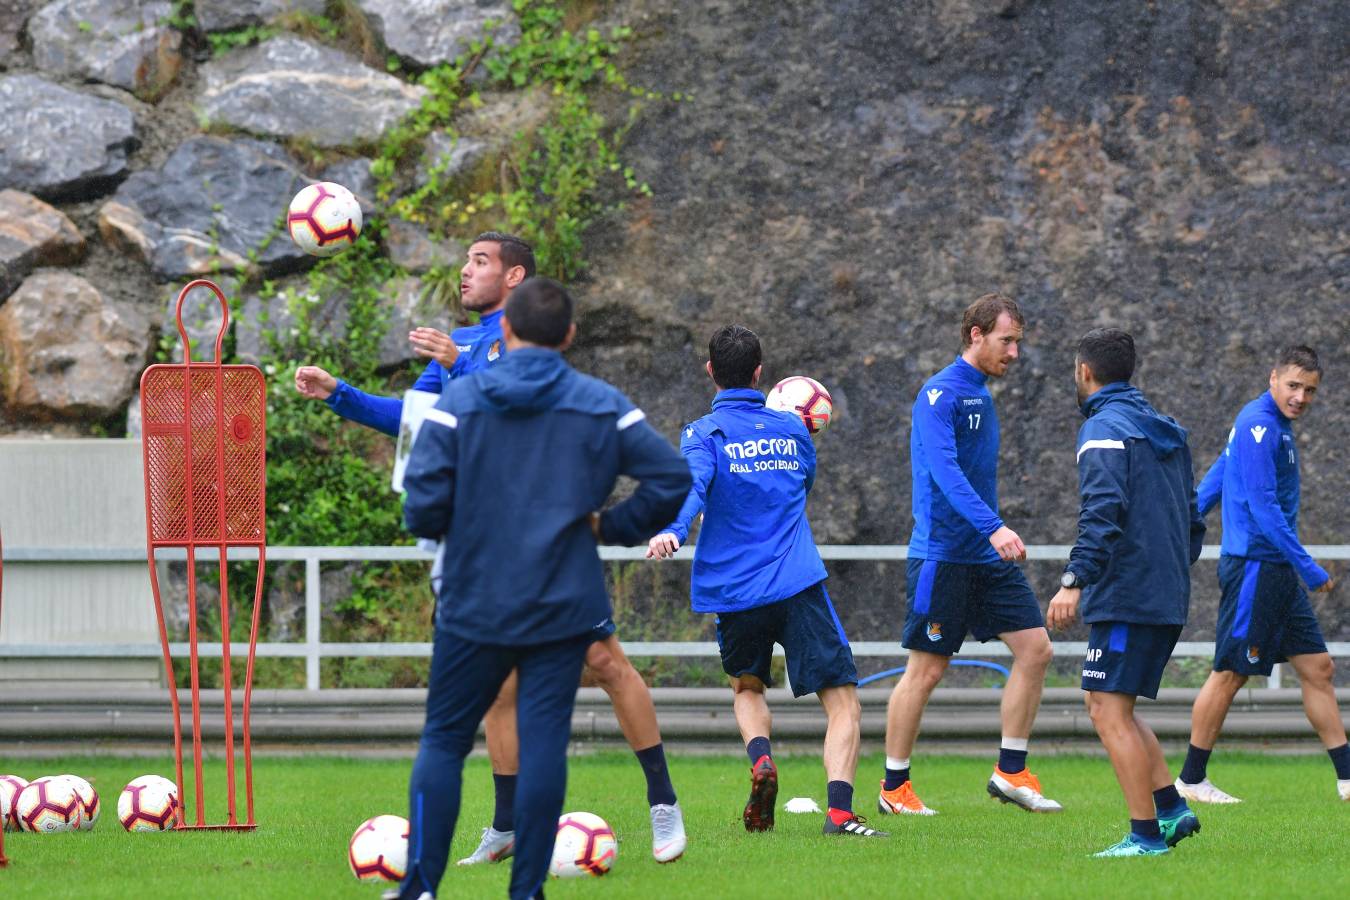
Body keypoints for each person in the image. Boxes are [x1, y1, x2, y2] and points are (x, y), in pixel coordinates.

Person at [295, 233, 688, 864]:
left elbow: (520, 409)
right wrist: (340, 393)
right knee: (499, 689)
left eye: (480, 261)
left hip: (548, 546)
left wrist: (459, 364)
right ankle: (506, 826)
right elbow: (419, 422)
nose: (465, 270)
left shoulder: (527, 339)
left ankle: (663, 802)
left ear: (514, 278)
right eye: (467, 260)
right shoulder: (459, 344)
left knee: (606, 664)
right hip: (487, 551)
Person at [395, 277, 691, 900]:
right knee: (546, 746)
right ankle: (526, 891)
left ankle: (420, 886)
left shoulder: (460, 399)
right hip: (563, 599)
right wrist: (610, 526)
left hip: (474, 598)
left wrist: (467, 524)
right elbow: (670, 477)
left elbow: (419, 508)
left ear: (504, 329)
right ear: (570, 335)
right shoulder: (600, 402)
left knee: (444, 741)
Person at [646, 324, 886, 839]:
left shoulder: (702, 433)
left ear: (710, 371)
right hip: (796, 582)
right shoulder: (795, 430)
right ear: (759, 373)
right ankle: (840, 815)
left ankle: (761, 761)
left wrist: (673, 529)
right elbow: (803, 484)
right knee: (843, 701)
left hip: (737, 592)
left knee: (747, 686)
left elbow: (693, 486)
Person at [880, 293, 1059, 816]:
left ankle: (1011, 772)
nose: (1015, 353)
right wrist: (993, 526)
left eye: (1018, 342)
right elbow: (944, 471)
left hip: (985, 557)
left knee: (1036, 650)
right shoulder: (939, 394)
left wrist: (990, 534)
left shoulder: (980, 392)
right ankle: (894, 787)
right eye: (1007, 340)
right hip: (944, 557)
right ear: (976, 335)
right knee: (926, 671)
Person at [1046, 327, 1204, 856]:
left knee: (1108, 712)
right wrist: (1167, 571)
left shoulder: (1103, 429)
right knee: (1108, 704)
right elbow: (1193, 521)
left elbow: (1102, 511)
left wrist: (1073, 580)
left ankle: (1145, 837)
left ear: (1084, 371)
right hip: (1163, 592)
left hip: (1128, 594)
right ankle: (1172, 810)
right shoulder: (1165, 430)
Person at [1177, 345, 1348, 804]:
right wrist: (1308, 566)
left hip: (1275, 570)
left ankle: (1348, 778)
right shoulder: (1260, 425)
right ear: (1273, 378)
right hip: (1256, 566)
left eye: (1309, 390)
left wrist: (1189, 520)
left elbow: (1219, 474)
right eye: (1293, 386)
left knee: (1319, 668)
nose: (1300, 397)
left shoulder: (1269, 424)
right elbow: (1261, 506)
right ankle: (1190, 779)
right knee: (1230, 672)